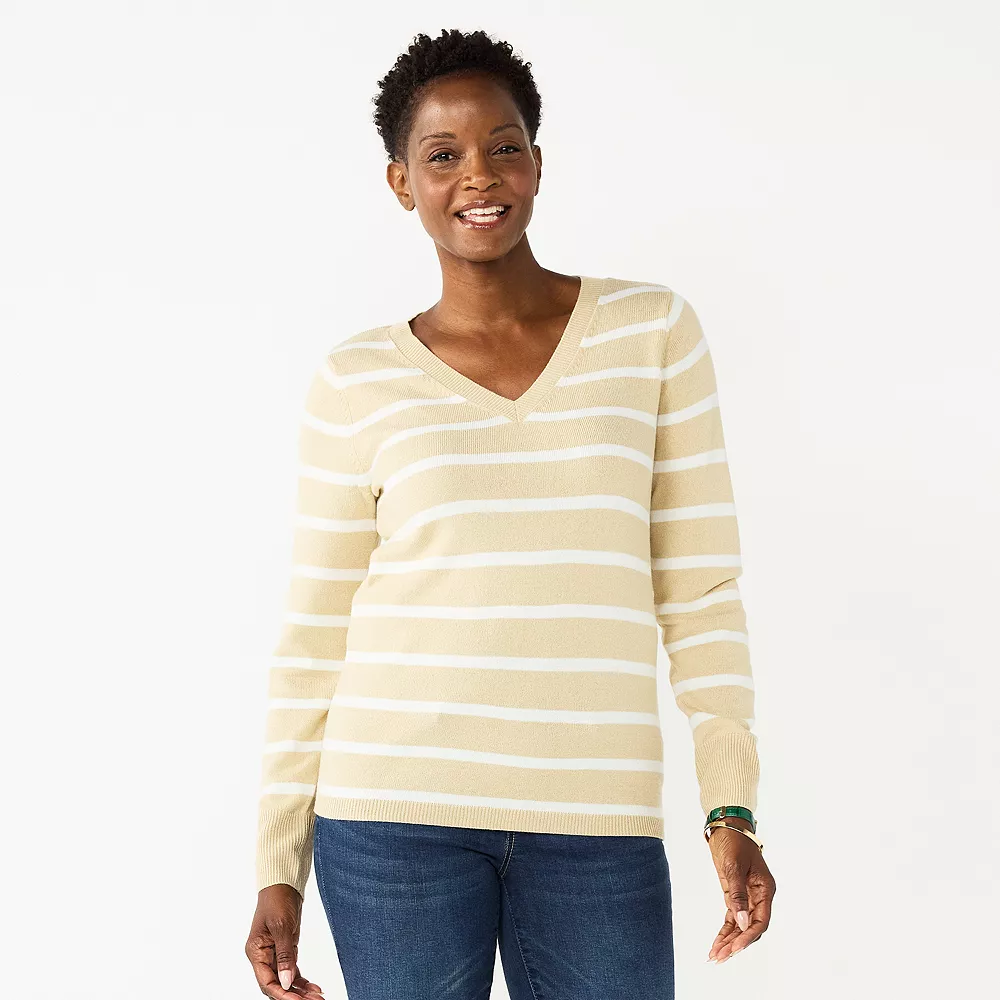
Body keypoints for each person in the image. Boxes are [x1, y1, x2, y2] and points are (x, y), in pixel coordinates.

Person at [245, 27, 776, 1000]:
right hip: (392, 820)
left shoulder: (652, 333)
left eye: (503, 146)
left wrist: (729, 805)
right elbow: (316, 629)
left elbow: (700, 589)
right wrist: (278, 864)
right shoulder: (357, 379)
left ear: (537, 162)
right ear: (401, 182)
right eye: (442, 155)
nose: (478, 176)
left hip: (596, 821)